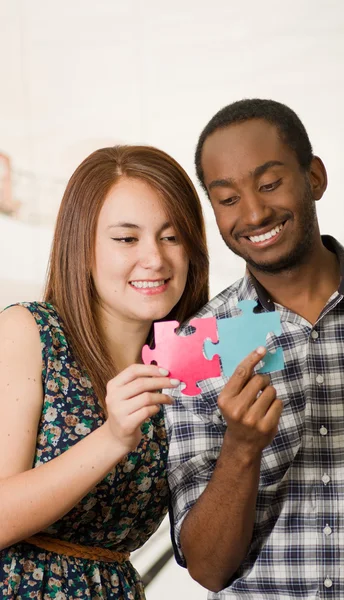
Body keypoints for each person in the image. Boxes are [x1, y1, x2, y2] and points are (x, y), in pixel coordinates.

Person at [165, 99, 344, 600]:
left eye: (270, 184)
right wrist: (241, 449)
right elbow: (207, 569)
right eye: (227, 199)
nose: (253, 213)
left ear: (314, 177)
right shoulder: (195, 346)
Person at [0, 145, 209, 599]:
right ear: (83, 245)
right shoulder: (29, 332)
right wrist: (112, 438)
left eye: (172, 237)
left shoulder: (189, 360)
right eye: (127, 238)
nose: (154, 258)